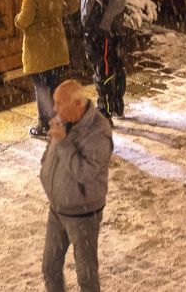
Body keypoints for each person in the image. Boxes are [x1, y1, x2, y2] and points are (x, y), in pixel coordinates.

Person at [40, 78, 113, 292]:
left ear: (78, 105)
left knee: (87, 277)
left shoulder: (99, 131)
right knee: (50, 268)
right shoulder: (64, 119)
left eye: (60, 103)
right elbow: (53, 151)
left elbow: (85, 173)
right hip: (58, 208)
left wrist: (62, 142)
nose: (55, 109)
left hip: (83, 213)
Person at [15, 0, 79, 138]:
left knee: (41, 85)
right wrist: (59, 13)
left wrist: (17, 21)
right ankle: (61, 120)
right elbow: (75, 4)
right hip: (56, 41)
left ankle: (45, 124)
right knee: (55, 83)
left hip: (37, 45)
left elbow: (26, 19)